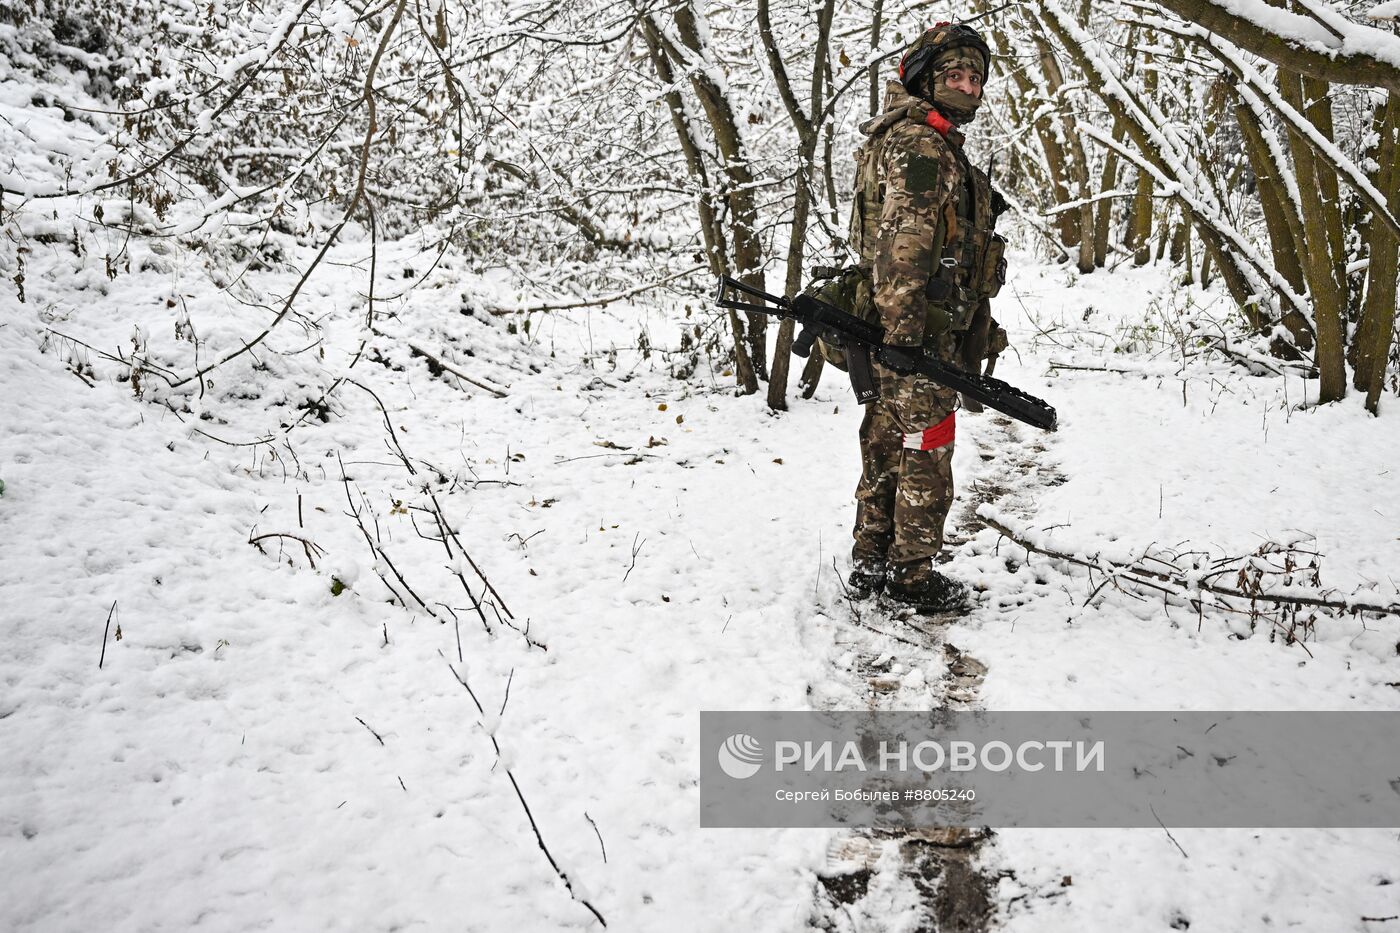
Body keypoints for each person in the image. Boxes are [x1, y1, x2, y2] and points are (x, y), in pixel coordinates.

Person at [845, 22, 1008, 614]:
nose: (968, 87)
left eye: (975, 78)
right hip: (913, 330)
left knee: (887, 441)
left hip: (897, 325)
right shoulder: (922, 146)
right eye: (955, 76)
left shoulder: (904, 136)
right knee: (925, 446)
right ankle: (911, 576)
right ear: (924, 80)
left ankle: (871, 558)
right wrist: (907, 338)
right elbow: (904, 249)